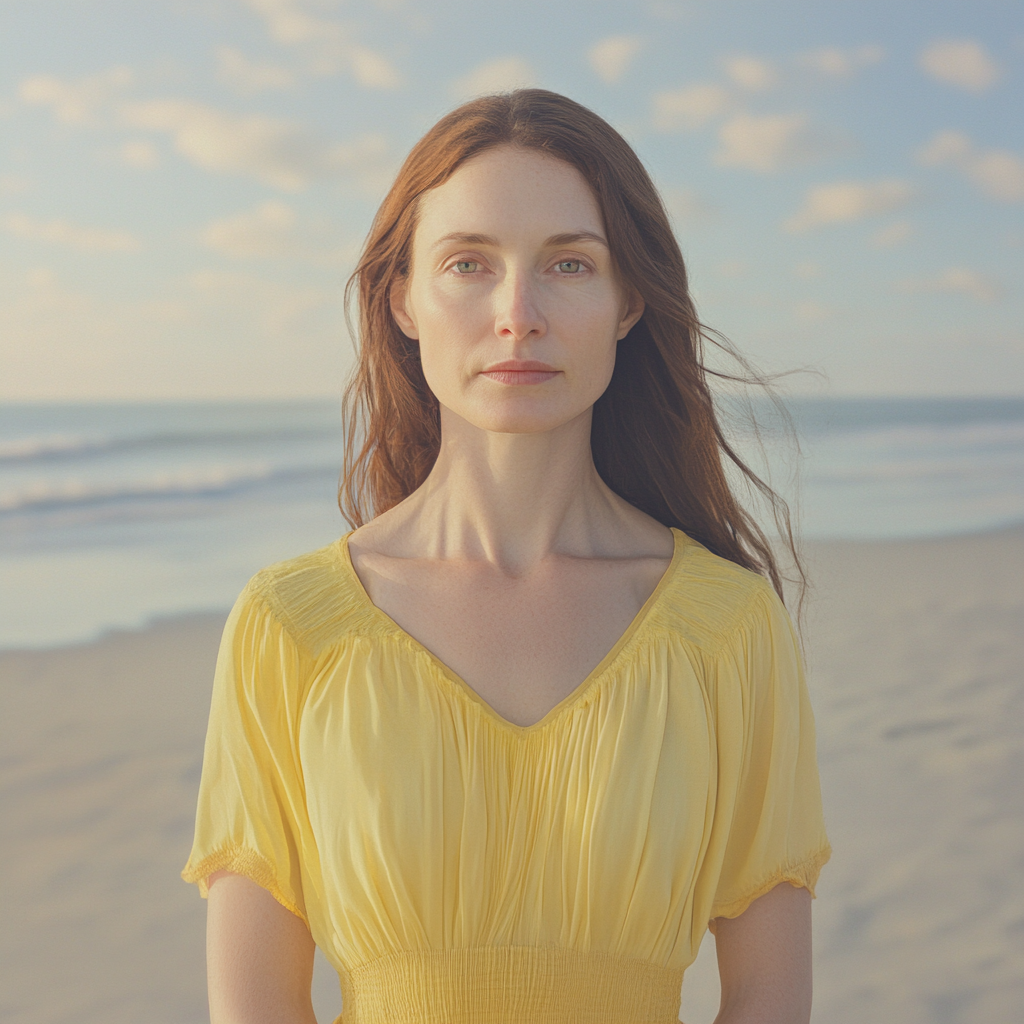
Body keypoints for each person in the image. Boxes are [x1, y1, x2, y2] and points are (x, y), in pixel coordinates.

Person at [183, 89, 830, 1024]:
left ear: (627, 302)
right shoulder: (290, 625)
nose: (517, 313)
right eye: (469, 264)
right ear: (401, 297)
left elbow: (770, 1001)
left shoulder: (726, 627)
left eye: (569, 264)